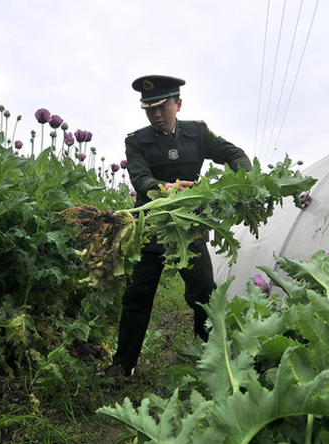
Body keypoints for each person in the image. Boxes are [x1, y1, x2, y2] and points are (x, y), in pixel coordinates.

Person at [99, 75, 252, 378]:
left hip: (188, 228)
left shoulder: (198, 133)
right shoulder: (136, 140)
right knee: (136, 297)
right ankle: (122, 365)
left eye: (162, 107)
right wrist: (167, 188)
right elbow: (140, 180)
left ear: (177, 104)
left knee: (204, 293)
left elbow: (233, 154)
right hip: (151, 229)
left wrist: (245, 176)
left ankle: (213, 361)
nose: (156, 114)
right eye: (149, 109)